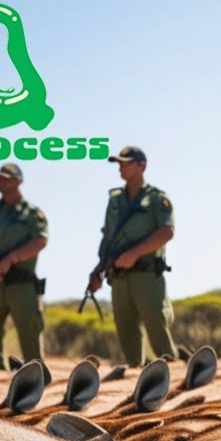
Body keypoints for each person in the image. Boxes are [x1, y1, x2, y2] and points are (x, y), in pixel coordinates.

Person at [89, 146, 177, 366]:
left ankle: (175, 378)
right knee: (127, 335)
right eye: (119, 163)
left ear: (142, 166)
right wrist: (98, 269)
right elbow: (108, 236)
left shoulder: (157, 199)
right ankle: (137, 380)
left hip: (146, 274)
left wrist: (134, 253)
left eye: (126, 163)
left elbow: (167, 232)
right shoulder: (115, 199)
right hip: (118, 277)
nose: (121, 167)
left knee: (158, 330)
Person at [0, 163, 47, 370]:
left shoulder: (31, 213)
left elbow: (40, 240)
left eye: (6, 177)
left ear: (19, 181)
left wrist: (11, 259)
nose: (1, 181)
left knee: (30, 335)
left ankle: (36, 380)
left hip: (21, 284)